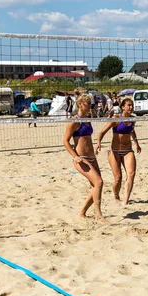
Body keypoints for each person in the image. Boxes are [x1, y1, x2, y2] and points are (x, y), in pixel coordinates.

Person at [63, 94, 106, 223]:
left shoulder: (87, 119)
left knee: (96, 186)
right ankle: (98, 215)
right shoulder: (75, 121)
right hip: (82, 158)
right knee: (99, 182)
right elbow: (65, 141)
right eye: (88, 104)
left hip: (92, 157)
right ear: (80, 104)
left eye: (91, 104)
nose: (90, 106)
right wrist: (75, 156)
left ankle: (82, 212)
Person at [95, 98, 141, 206]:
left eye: (132, 105)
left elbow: (132, 132)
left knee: (131, 174)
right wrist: (98, 143)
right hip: (114, 151)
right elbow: (102, 132)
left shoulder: (133, 119)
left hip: (127, 150)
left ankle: (125, 200)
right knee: (118, 177)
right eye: (129, 105)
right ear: (123, 107)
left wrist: (137, 144)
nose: (131, 107)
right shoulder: (116, 118)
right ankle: (116, 196)